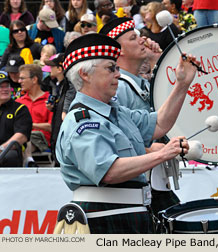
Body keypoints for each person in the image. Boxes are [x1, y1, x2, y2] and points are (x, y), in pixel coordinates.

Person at [55, 33, 198, 234]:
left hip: (128, 213)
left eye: (117, 68)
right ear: (84, 75)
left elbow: (159, 123)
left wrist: (182, 84)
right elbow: (109, 171)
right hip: (103, 218)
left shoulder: (116, 112)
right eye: (110, 68)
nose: (117, 74)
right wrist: (163, 154)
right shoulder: (82, 120)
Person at [100, 18, 180, 221]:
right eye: (134, 38)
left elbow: (167, 113)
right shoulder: (119, 88)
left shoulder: (140, 83)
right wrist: (148, 151)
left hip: (154, 180)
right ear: (119, 51)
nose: (143, 40)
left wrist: (157, 61)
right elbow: (114, 137)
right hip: (138, 182)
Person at [17, 64, 53, 167]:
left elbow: (51, 127)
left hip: (41, 138)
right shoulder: (19, 102)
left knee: (25, 137)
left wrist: (31, 125)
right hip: (21, 137)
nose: (19, 81)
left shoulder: (49, 101)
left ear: (34, 79)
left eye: (22, 78)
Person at [44, 53, 75, 165]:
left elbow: (68, 101)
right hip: (56, 133)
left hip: (64, 136)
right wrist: (53, 108)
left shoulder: (70, 85)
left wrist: (65, 110)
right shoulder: (57, 85)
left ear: (60, 68)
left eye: (52, 66)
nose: (49, 69)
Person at [0, 74, 32, 167]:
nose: (5, 89)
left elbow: (21, 136)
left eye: (7, 86)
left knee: (10, 156)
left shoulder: (20, 109)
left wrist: (1, 149)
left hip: (9, 151)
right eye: (1, 87)